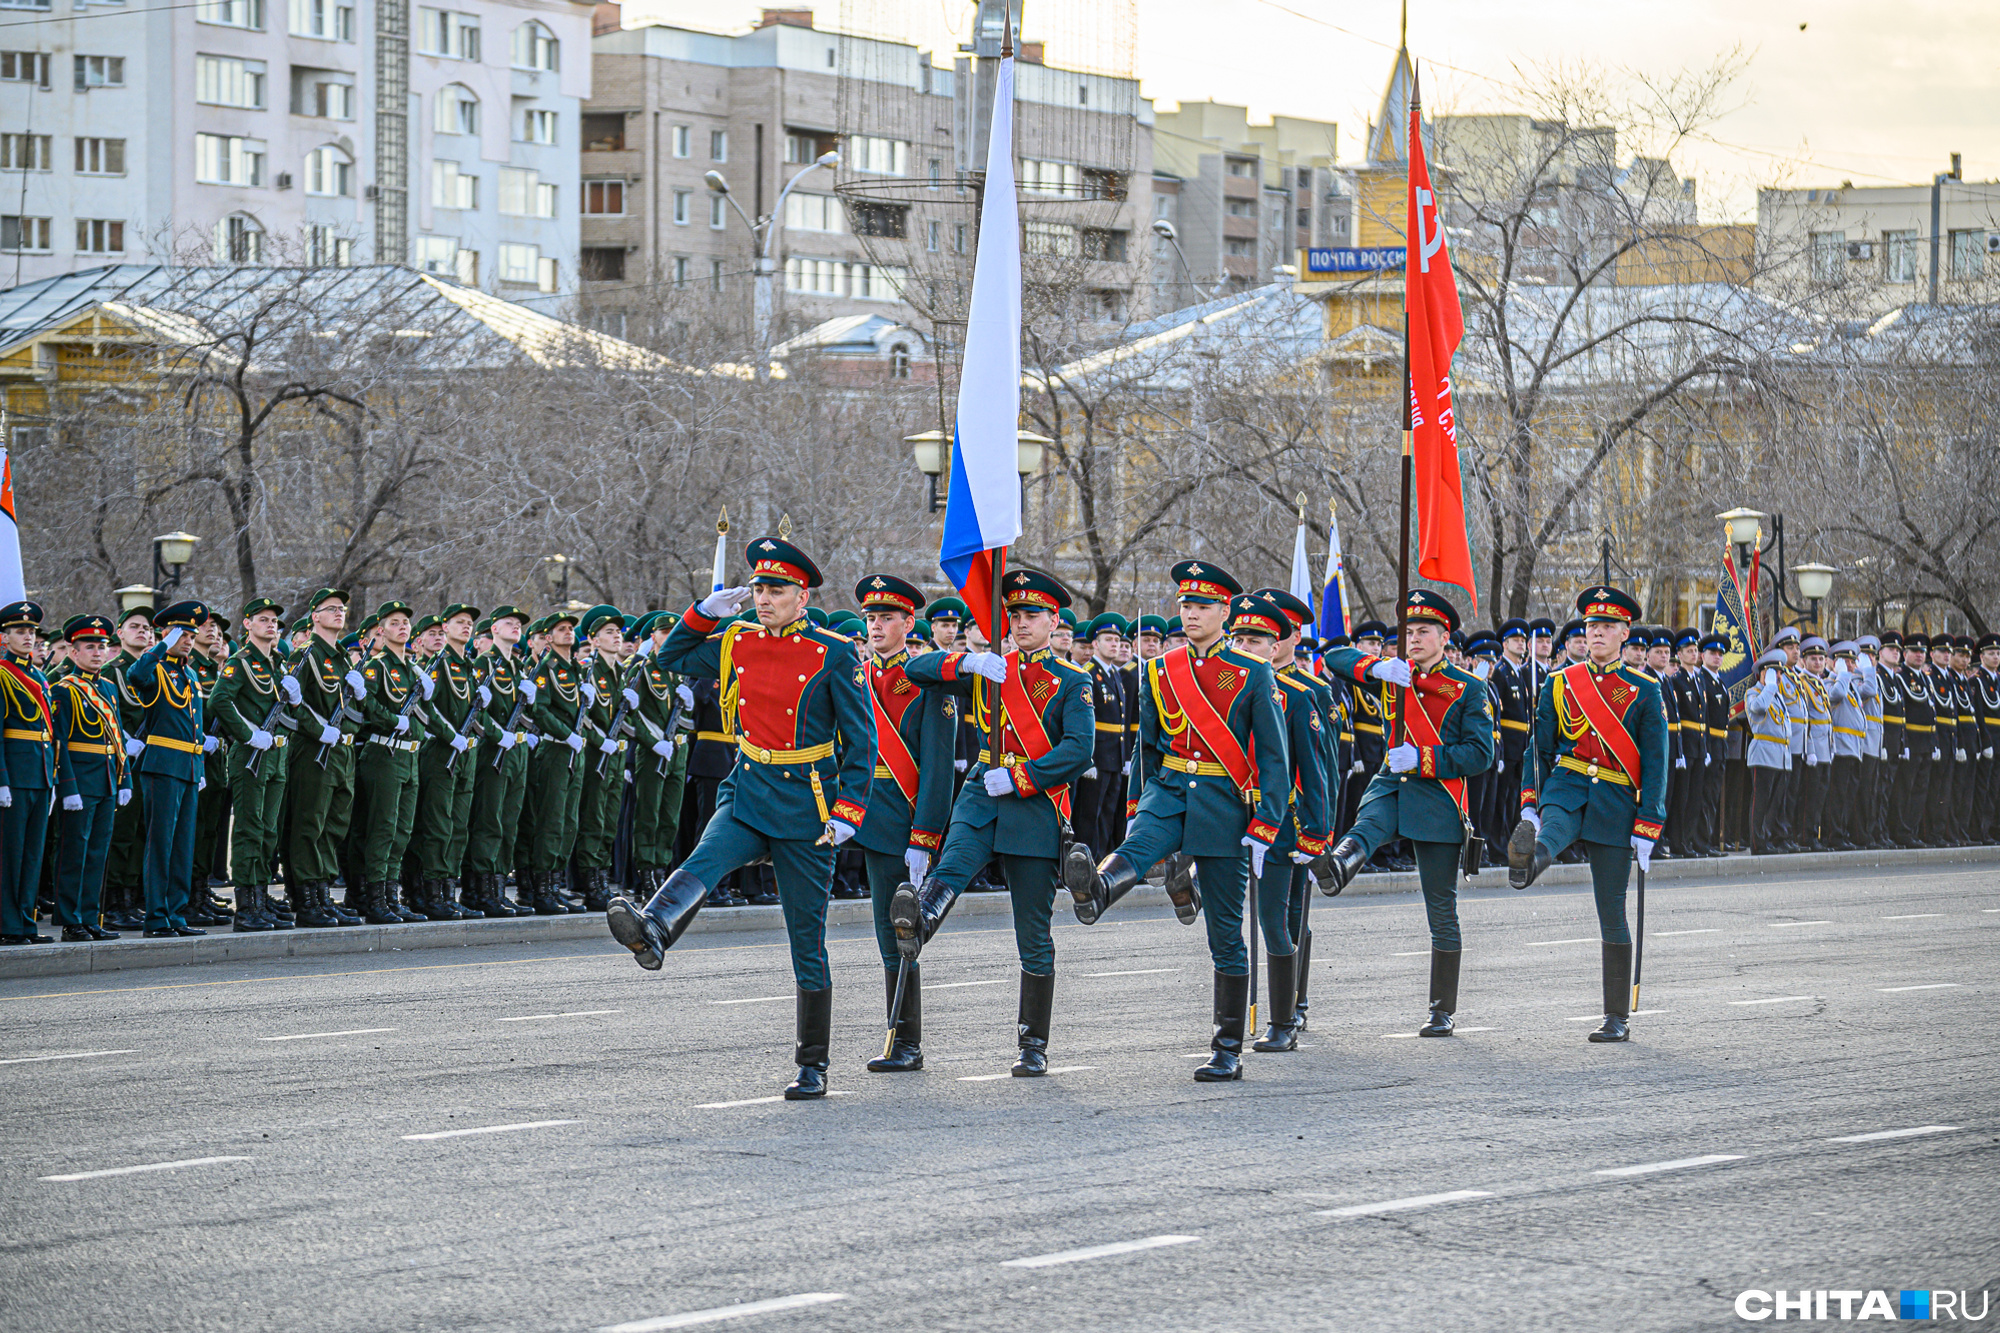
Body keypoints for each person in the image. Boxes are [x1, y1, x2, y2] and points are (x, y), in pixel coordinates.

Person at [608, 535, 875, 1100]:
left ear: (801, 596)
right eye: (757, 587)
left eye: (775, 589)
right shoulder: (737, 640)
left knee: (807, 936)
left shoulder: (833, 652)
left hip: (808, 801)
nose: (763, 597)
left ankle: (812, 1064)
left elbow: (861, 740)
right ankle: (654, 928)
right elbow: (668, 657)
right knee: (708, 854)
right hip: (749, 784)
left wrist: (850, 811)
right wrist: (703, 613)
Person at [1065, 560, 1287, 1083]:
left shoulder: (1253, 672)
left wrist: (1267, 825)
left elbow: (1273, 758)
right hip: (1167, 788)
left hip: (1223, 801)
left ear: (1224, 611)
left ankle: (1227, 1047)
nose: (1190, 613)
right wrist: (1138, 800)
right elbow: (1147, 744)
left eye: (1201, 606)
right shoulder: (1161, 669)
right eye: (1185, 604)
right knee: (1139, 843)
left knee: (1225, 935)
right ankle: (1096, 889)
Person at [891, 568, 1093, 1076]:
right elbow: (917, 672)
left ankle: (1033, 1044)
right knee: (952, 867)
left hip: (1035, 804)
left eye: (1031, 615)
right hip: (983, 793)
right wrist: (970, 659)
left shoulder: (1073, 682)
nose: (1021, 623)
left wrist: (1024, 777)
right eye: (1015, 615)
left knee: (1032, 930)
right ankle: (920, 919)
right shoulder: (987, 668)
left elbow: (1078, 749)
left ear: (1053, 622)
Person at [1317, 590, 1494, 1037]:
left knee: (1440, 907)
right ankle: (1340, 865)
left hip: (1437, 799)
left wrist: (1423, 758)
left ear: (1444, 637)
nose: (1412, 640)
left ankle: (1441, 1009)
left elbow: (1480, 754)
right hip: (1391, 785)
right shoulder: (1393, 675)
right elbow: (1332, 655)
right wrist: (1373, 666)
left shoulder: (1469, 689)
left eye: (1423, 632)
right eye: (1407, 632)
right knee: (1366, 825)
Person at [1507, 586, 1668, 1043]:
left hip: (1617, 799)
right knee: (1552, 830)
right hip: (1569, 781)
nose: (1595, 632)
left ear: (1625, 633)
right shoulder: (1560, 682)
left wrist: (1648, 825)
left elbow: (1655, 762)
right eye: (1590, 626)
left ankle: (1616, 1017)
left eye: (1606, 627)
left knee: (1611, 910)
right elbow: (1537, 747)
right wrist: (1530, 803)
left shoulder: (1644, 690)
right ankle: (1529, 861)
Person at [840, 573, 955, 1074]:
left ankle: (906, 1042)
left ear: (909, 623)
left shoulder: (928, 679)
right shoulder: (856, 675)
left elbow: (937, 763)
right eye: (871, 618)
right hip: (865, 812)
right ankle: (897, 1037)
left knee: (902, 932)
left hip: (905, 816)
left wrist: (925, 836)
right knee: (886, 931)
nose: (877, 626)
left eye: (887, 617)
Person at [1233, 592, 1330, 1053]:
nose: (1245, 647)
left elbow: (1316, 772)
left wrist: (1316, 834)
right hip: (1230, 813)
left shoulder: (1299, 695)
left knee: (1275, 917)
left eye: (1256, 640)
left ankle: (1283, 1019)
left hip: (1279, 823)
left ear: (1278, 645)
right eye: (1240, 638)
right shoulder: (1222, 688)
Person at [207, 597, 297, 931]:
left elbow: (290, 715)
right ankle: (246, 906)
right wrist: (246, 734)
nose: (270, 624)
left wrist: (296, 700)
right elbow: (219, 700)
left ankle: (261, 898)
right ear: (247, 624)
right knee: (249, 828)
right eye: (263, 619)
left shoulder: (279, 663)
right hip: (251, 756)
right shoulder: (240, 662)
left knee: (268, 830)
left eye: (274, 620)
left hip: (277, 755)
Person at [129, 601, 211, 938]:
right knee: (161, 843)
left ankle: (176, 913)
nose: (188, 640)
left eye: (191, 634)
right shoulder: (156, 669)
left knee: (182, 846)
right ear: (168, 633)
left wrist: (200, 765)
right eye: (182, 633)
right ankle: (156, 917)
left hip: (189, 766)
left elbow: (197, 726)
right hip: (162, 766)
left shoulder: (190, 674)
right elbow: (136, 676)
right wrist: (160, 646)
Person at [50, 614, 130, 941]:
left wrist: (124, 781)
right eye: (90, 647)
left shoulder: (109, 688)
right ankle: (71, 921)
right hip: (80, 782)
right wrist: (67, 787)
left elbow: (118, 740)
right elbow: (60, 743)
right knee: (74, 852)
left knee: (97, 852)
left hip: (107, 779)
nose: (98, 652)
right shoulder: (64, 690)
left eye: (102, 647)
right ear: (73, 652)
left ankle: (91, 917)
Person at [409, 605, 485, 918]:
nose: (466, 627)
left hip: (466, 752)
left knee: (458, 826)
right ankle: (430, 892)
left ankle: (447, 890)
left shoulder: (467, 665)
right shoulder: (437, 665)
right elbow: (425, 710)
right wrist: (449, 734)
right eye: (459, 623)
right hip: (441, 752)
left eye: (469, 624)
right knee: (437, 825)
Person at [462, 607, 535, 918]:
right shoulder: (483, 664)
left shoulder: (518, 668)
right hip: (495, 752)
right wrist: (496, 734)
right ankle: (477, 890)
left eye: (519, 625)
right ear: (493, 629)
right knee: (488, 821)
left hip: (517, 753)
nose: (515, 627)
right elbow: (475, 712)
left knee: (508, 823)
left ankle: (497, 887)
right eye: (509, 623)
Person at [522, 608, 588, 914]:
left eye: (570, 628)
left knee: (568, 821)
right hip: (555, 749)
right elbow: (541, 711)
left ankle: (556, 883)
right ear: (548, 638)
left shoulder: (577, 669)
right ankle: (543, 889)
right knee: (550, 820)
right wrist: (565, 734)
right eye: (561, 629)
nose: (568, 632)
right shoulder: (546, 669)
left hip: (575, 751)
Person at [0, 601, 57, 945]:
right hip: (15, 775)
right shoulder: (3, 673)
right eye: (20, 631)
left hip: (40, 774)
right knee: (10, 852)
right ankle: (7, 923)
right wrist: (2, 778)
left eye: (31, 631)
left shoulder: (38, 676)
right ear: (4, 637)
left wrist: (52, 778)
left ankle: (24, 921)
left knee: (32, 853)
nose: (28, 637)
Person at [573, 604, 632, 910]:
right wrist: (600, 740)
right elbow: (582, 718)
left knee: (610, 819)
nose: (617, 636)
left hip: (616, 756)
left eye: (618, 632)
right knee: (593, 818)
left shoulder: (621, 673)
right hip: (597, 755)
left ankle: (603, 876)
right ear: (594, 640)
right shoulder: (587, 671)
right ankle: (590, 882)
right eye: (609, 632)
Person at [1073, 612, 1133, 862]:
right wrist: (1088, 759)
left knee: (1107, 813)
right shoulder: (1089, 673)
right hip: (1096, 758)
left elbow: (1122, 721)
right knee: (1089, 815)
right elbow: (1086, 723)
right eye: (1109, 640)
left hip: (1114, 758)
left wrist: (1126, 756)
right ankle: (1084, 865)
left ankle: (1101, 862)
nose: (1115, 645)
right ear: (1095, 644)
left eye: (1117, 641)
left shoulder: (1115, 674)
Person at [1743, 647, 1792, 854]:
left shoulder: (1777, 696)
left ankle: (1768, 838)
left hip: (1780, 755)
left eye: (1780, 673)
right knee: (1760, 801)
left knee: (1775, 803)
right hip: (1763, 754)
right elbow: (1758, 709)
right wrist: (1769, 686)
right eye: (1775, 672)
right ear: (1764, 673)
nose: (1779, 677)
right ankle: (1757, 843)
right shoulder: (1754, 693)